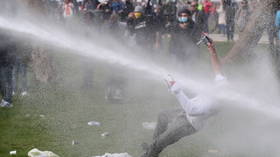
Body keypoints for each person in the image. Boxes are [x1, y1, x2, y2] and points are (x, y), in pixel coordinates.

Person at [140, 34, 227, 157]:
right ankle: (152, 148)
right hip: (184, 114)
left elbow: (191, 110)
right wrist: (211, 48)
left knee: (160, 143)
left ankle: (151, 151)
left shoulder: (215, 103)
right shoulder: (222, 86)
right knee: (163, 116)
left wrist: (176, 89)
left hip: (188, 124)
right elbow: (217, 68)